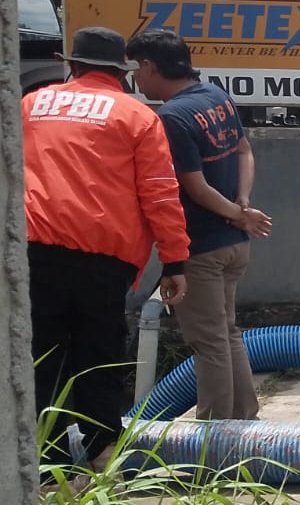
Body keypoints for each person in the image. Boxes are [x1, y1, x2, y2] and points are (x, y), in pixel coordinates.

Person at [23, 27, 191, 470]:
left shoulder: (31, 105)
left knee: (39, 359)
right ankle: (101, 456)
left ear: (71, 64)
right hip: (104, 257)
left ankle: (47, 467)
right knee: (98, 357)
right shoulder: (136, 116)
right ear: (123, 71)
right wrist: (174, 260)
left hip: (33, 251)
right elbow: (160, 193)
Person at [127, 30, 272, 421]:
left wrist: (238, 212)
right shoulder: (216, 96)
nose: (135, 79)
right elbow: (244, 151)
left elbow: (196, 188)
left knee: (209, 342)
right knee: (227, 333)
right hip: (234, 243)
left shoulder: (172, 118)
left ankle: (213, 432)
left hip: (202, 248)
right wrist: (243, 205)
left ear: (149, 66)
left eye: (136, 69)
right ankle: (244, 418)